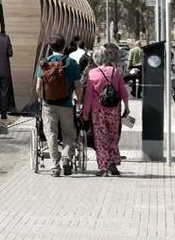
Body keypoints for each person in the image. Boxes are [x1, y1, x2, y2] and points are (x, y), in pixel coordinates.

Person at [35, 34, 82, 177]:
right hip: (66, 104)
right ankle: (66, 156)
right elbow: (77, 85)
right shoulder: (71, 63)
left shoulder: (43, 63)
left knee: (51, 135)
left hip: (48, 104)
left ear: (50, 47)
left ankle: (55, 167)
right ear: (64, 46)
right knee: (69, 133)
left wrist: (41, 99)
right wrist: (79, 100)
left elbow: (38, 87)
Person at [81, 46, 128, 176]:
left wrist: (85, 113)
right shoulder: (115, 71)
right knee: (113, 136)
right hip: (114, 109)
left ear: (95, 59)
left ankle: (104, 167)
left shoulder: (92, 73)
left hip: (98, 110)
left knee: (101, 138)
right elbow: (123, 91)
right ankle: (113, 164)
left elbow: (89, 96)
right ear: (107, 57)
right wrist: (127, 107)